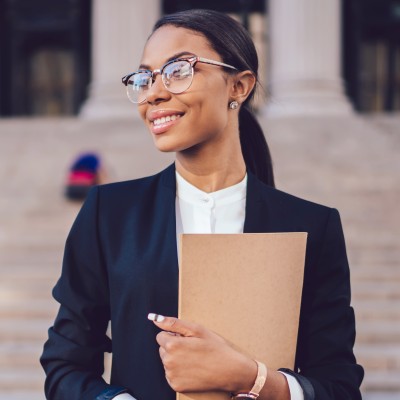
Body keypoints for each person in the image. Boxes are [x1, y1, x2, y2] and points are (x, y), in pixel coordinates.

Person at [40, 9, 364, 400]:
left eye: (178, 71)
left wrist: (253, 379)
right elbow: (65, 366)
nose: (155, 93)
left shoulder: (312, 225)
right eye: (145, 78)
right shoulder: (108, 213)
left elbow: (339, 386)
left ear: (239, 87)